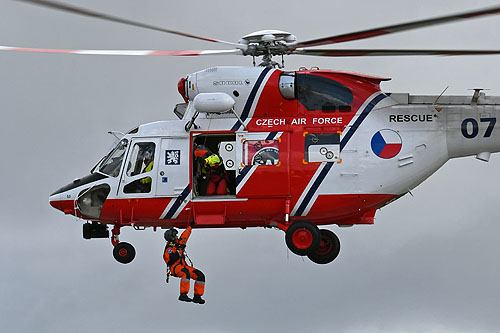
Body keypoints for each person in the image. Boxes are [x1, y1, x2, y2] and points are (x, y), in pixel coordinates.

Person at [163, 226, 206, 304]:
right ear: (172, 237)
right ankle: (183, 294)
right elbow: (172, 258)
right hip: (175, 268)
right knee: (185, 273)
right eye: (175, 235)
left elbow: (185, 236)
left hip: (183, 265)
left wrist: (190, 226)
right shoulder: (169, 248)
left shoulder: (178, 243)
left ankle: (197, 296)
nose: (177, 237)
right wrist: (180, 249)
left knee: (200, 275)